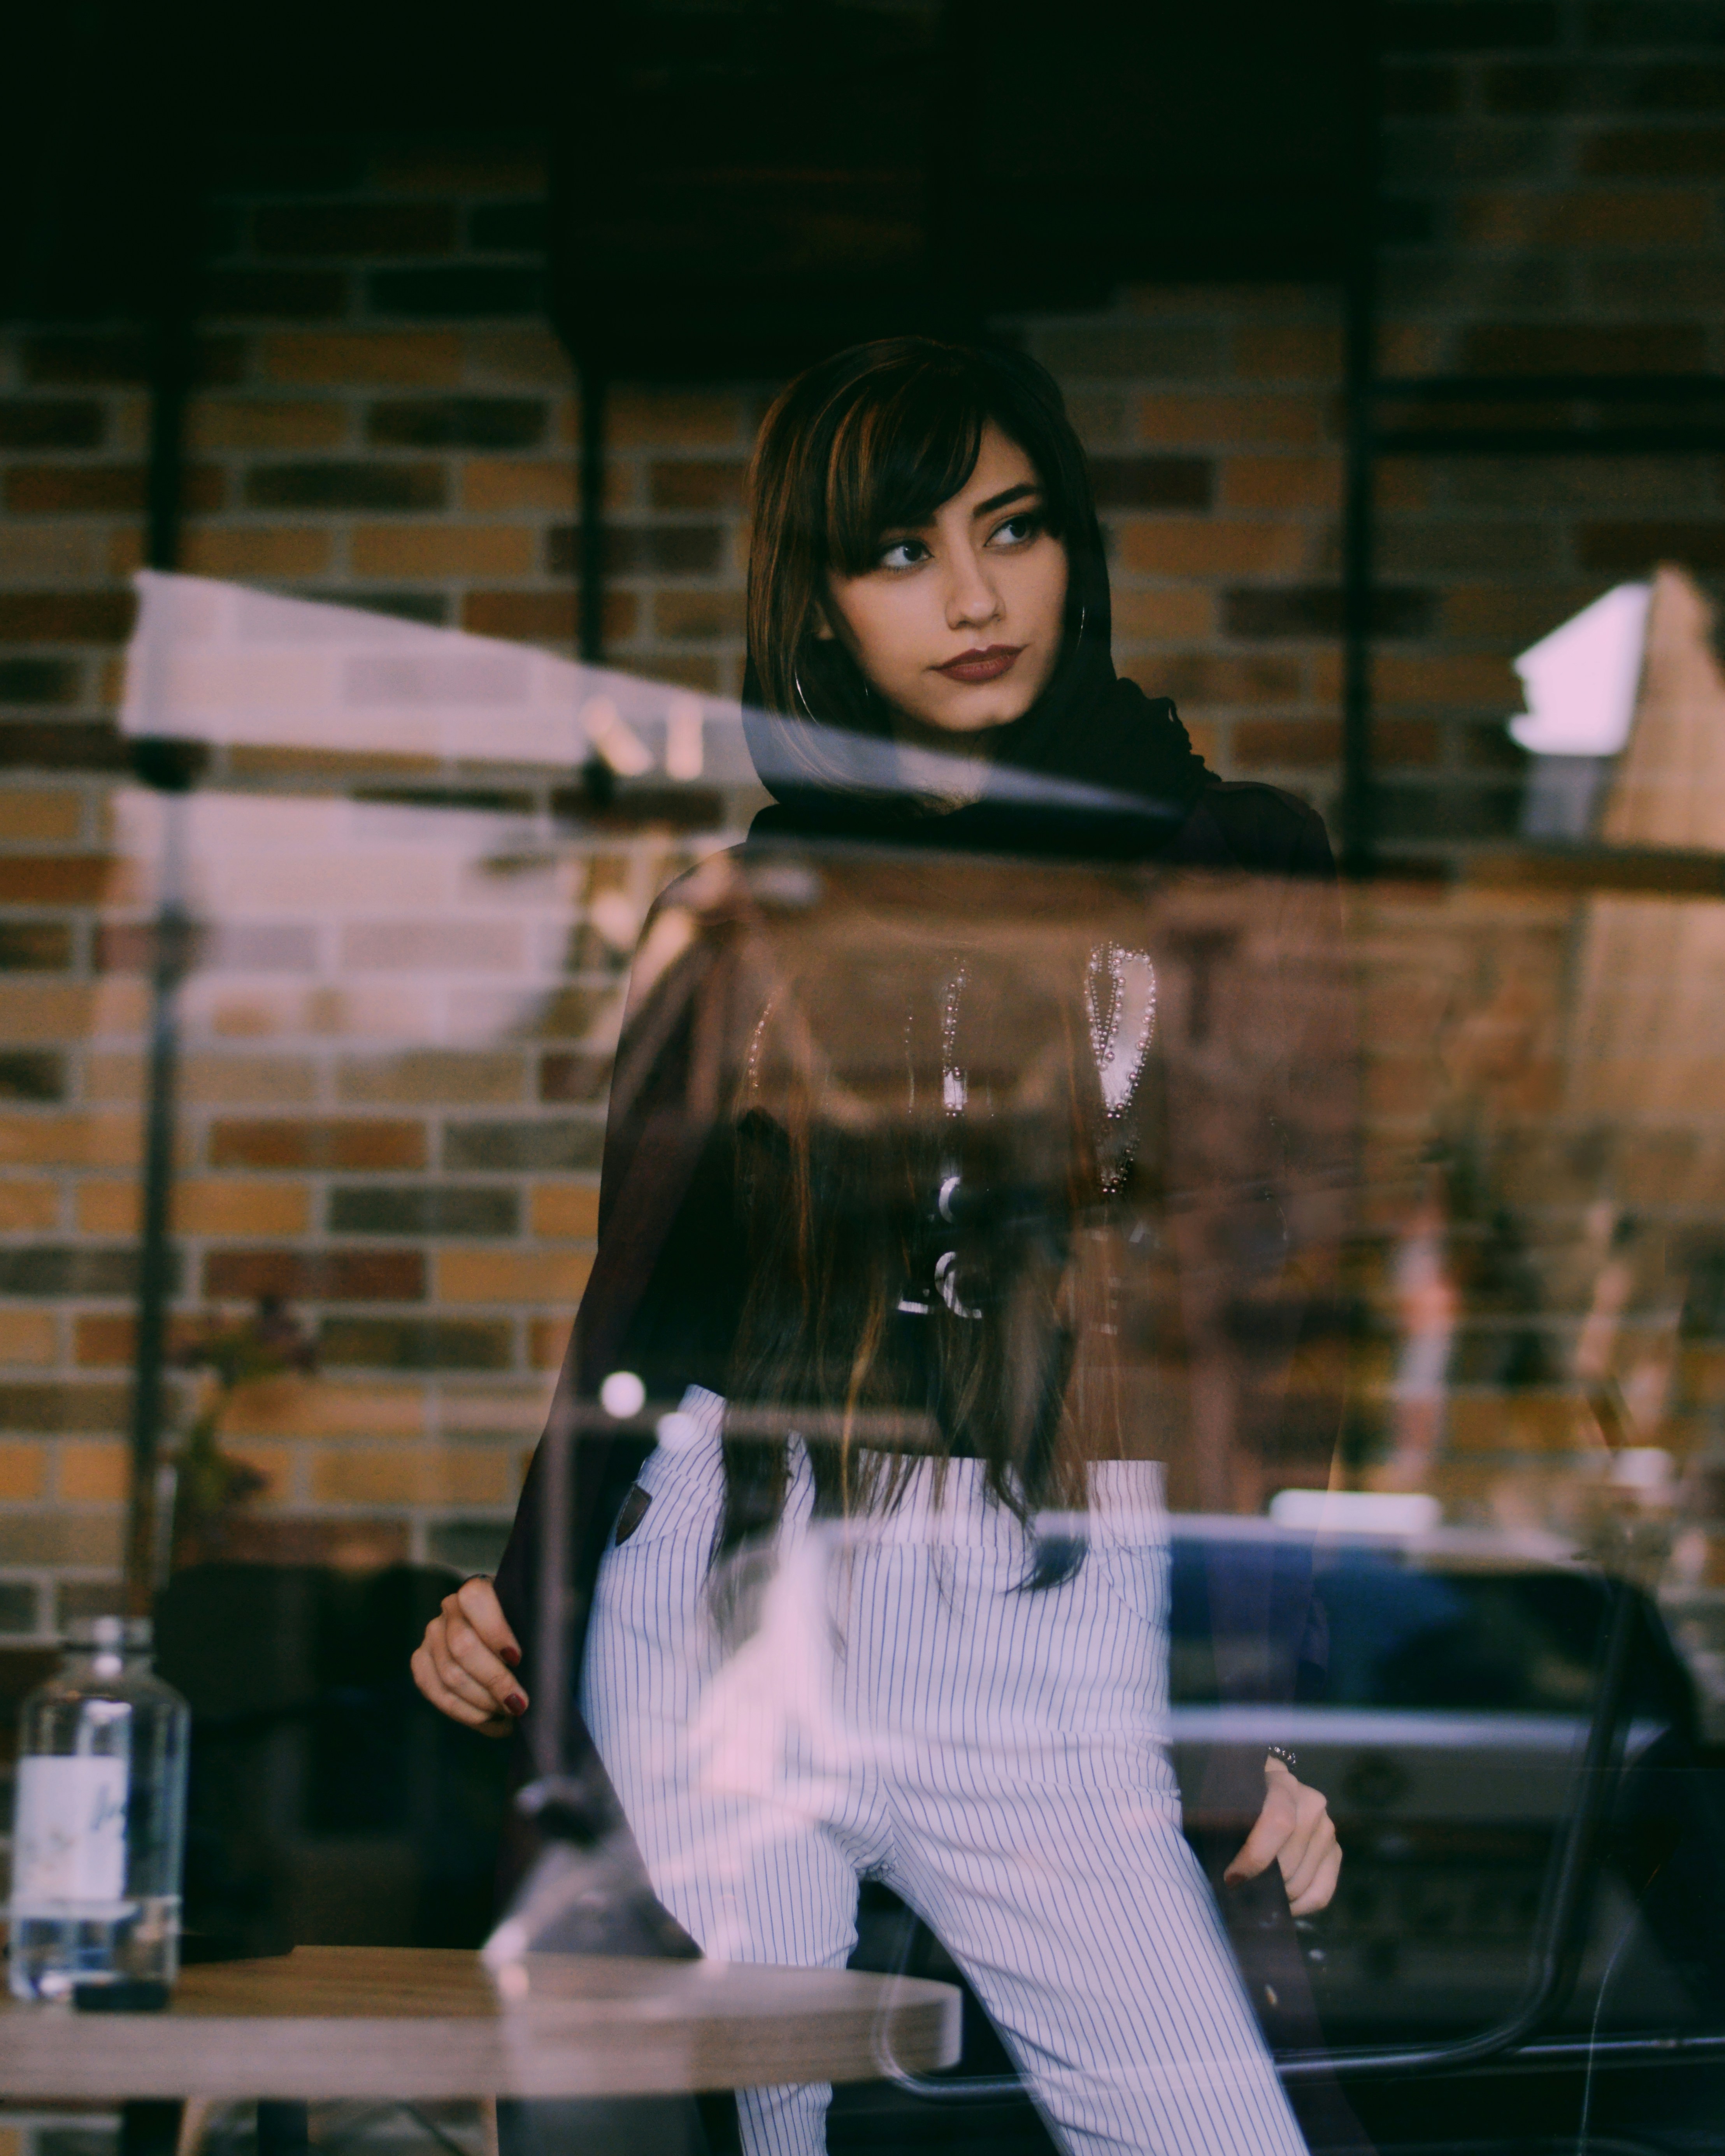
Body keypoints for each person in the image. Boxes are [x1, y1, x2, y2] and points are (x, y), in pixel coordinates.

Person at [414, 338, 1353, 2156]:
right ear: (823, 606)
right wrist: (519, 1583)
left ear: (1074, 549)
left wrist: (1265, 1713)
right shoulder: (743, 915)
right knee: (755, 2129)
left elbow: (1269, 1317)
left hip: (1057, 1614)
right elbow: (641, 1304)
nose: (976, 596)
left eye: (1009, 530)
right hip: (730, 1590)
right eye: (901, 553)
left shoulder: (1230, 861)